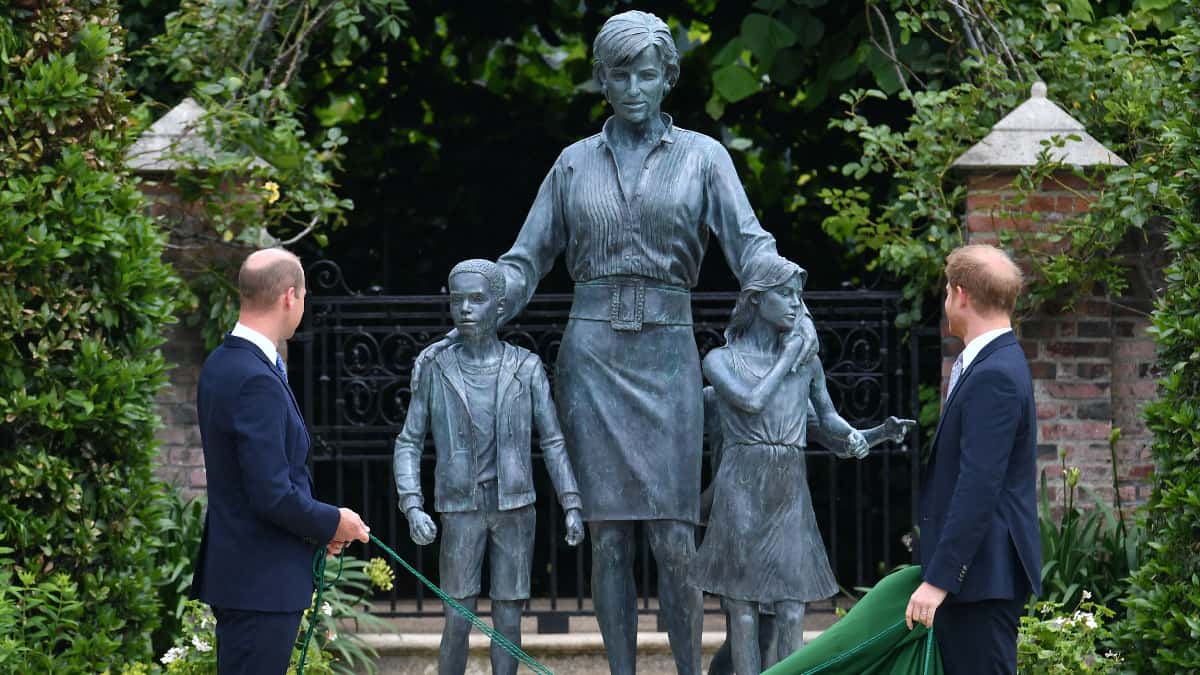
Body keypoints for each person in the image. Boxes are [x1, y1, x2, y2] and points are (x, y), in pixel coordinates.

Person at [412, 10, 818, 674]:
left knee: (676, 540)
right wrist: (483, 303)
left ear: (668, 78)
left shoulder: (704, 158)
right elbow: (526, 259)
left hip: (668, 355)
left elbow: (751, 246)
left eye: (647, 74)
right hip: (593, 358)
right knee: (608, 541)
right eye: (620, 74)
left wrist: (790, 300)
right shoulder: (573, 165)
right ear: (602, 79)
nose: (633, 87)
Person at [393, 259, 586, 675]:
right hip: (460, 508)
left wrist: (571, 501)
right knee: (457, 619)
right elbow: (409, 440)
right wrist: (413, 504)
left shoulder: (527, 367)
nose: (464, 309)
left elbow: (552, 440)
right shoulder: (436, 369)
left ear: (499, 306)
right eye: (457, 300)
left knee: (509, 622)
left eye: (476, 300)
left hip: (515, 507)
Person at [691, 255, 881, 674]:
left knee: (793, 607)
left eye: (799, 295)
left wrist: (866, 435)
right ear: (756, 300)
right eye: (786, 293)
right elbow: (752, 401)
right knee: (741, 609)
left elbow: (828, 420)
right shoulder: (721, 360)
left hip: (788, 486)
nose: (797, 304)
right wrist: (789, 354)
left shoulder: (807, 363)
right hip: (741, 483)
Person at [191, 248, 371, 675]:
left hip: (247, 578)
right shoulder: (255, 378)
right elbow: (271, 494)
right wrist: (333, 522)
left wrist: (315, 530)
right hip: (260, 584)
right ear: (290, 296)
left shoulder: (223, 362)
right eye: (304, 295)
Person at [905, 244, 1041, 674]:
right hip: (979, 578)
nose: (946, 301)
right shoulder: (992, 361)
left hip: (982, 580)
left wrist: (940, 579)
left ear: (960, 295)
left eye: (946, 291)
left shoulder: (995, 374)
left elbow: (978, 485)